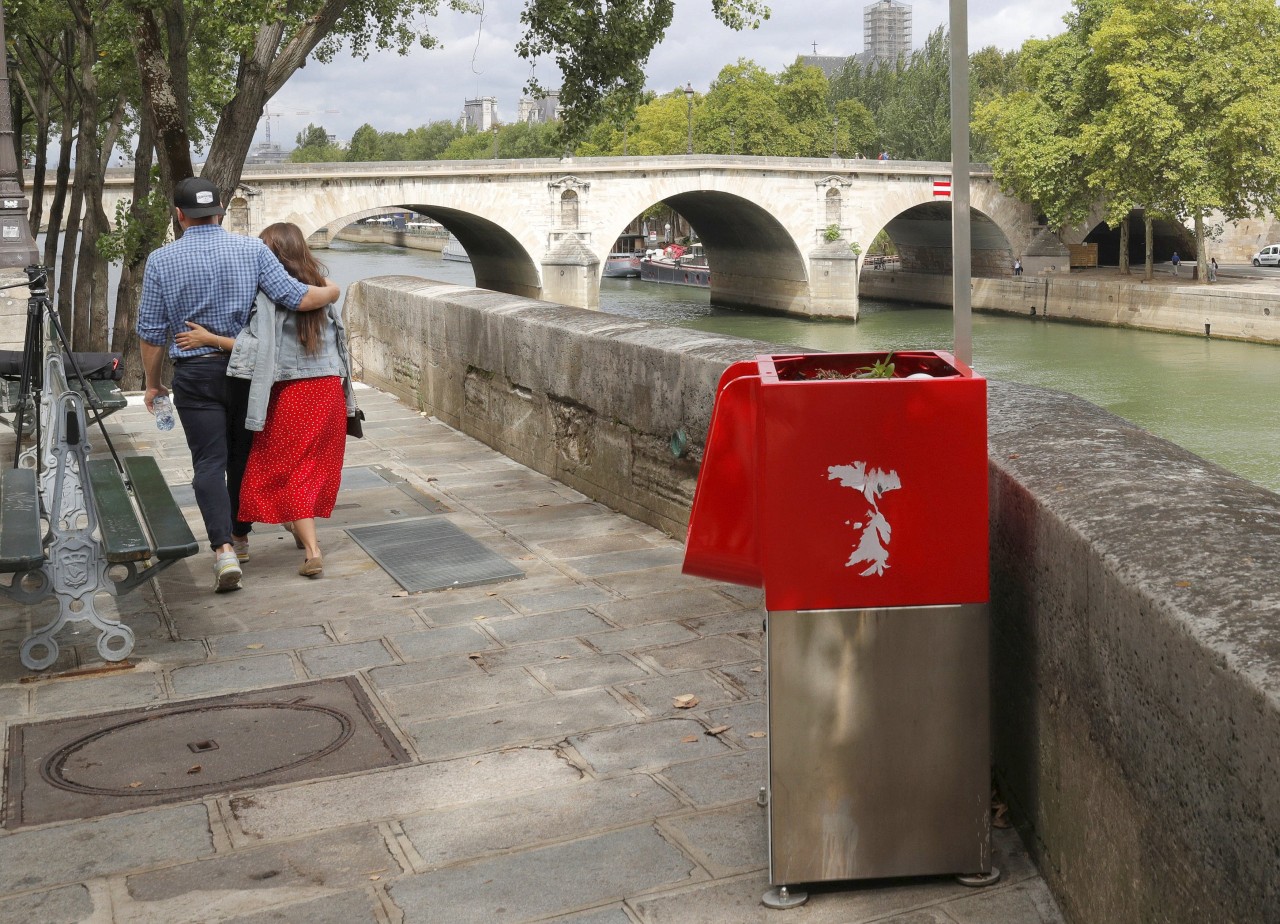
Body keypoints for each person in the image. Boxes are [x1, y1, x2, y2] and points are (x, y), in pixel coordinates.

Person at [138, 177, 339, 592]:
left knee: (209, 462)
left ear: (179, 215)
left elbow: (151, 334)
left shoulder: (161, 260)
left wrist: (153, 384)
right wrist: (332, 291)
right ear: (221, 211)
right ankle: (242, 536)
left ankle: (223, 551)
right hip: (246, 371)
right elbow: (297, 298)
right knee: (243, 456)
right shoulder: (251, 250)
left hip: (195, 374)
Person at [178, 222, 353, 579]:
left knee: (290, 471)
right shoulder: (321, 289)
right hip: (330, 393)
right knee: (312, 467)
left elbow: (259, 351)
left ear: (273, 255)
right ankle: (295, 528)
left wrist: (211, 338)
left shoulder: (270, 298)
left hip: (293, 395)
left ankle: (312, 550)